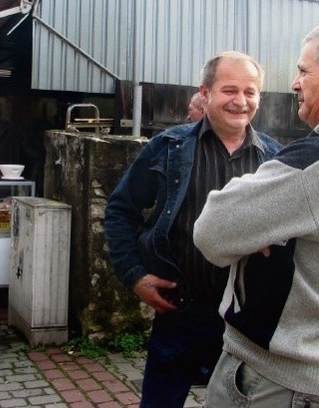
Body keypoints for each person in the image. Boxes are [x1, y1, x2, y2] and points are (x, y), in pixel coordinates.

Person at [193, 18, 319, 408]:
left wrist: (256, 233)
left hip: (275, 385)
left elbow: (212, 228)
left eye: (304, 70)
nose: (295, 82)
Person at [104, 51, 282, 407]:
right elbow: (120, 210)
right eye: (229, 90)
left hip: (244, 325)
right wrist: (134, 275)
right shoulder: (167, 148)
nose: (240, 101)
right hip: (180, 313)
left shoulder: (275, 162)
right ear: (205, 93)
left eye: (250, 92)